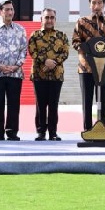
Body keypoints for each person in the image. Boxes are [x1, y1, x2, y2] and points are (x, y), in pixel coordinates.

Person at [71, 0, 105, 131]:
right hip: (86, 67)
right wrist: (88, 49)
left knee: (103, 99)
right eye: (94, 3)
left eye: (99, 3)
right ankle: (87, 130)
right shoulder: (82, 22)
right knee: (87, 100)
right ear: (90, 4)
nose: (96, 6)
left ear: (104, 4)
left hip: (103, 67)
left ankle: (103, 129)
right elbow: (75, 42)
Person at [0, 0, 28, 141]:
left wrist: (17, 65)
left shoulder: (20, 29)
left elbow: (24, 49)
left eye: (11, 9)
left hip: (15, 73)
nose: (10, 12)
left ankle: (12, 131)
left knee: (13, 103)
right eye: (6, 9)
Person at [27, 8, 70, 141]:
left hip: (56, 75)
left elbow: (65, 52)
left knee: (53, 105)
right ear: (41, 19)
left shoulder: (61, 35)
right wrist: (45, 60)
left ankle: (53, 133)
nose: (49, 20)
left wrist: (54, 62)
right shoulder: (35, 35)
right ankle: (41, 132)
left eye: (52, 17)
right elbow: (32, 51)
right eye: (47, 17)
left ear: (55, 20)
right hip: (39, 75)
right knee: (40, 105)